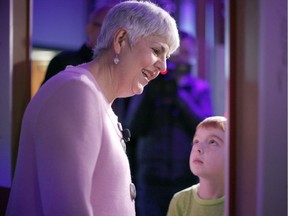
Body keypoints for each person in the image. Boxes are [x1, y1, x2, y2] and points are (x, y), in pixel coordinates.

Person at [6, 1, 180, 215]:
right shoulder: (74, 92)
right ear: (121, 39)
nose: (163, 67)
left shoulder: (95, 98)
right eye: (156, 51)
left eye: (167, 57)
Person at [126, 30, 213, 216]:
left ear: (194, 56)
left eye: (186, 54)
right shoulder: (148, 85)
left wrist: (179, 96)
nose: (180, 60)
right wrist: (149, 92)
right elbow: (133, 127)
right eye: (177, 54)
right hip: (151, 177)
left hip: (187, 176)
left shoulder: (199, 89)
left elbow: (205, 129)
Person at [167, 116, 227, 216]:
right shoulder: (180, 201)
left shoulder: (242, 203)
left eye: (212, 142)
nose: (197, 148)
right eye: (196, 141)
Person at [41, 5, 113, 85]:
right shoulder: (62, 62)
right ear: (90, 28)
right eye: (108, 28)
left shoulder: (115, 68)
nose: (113, 35)